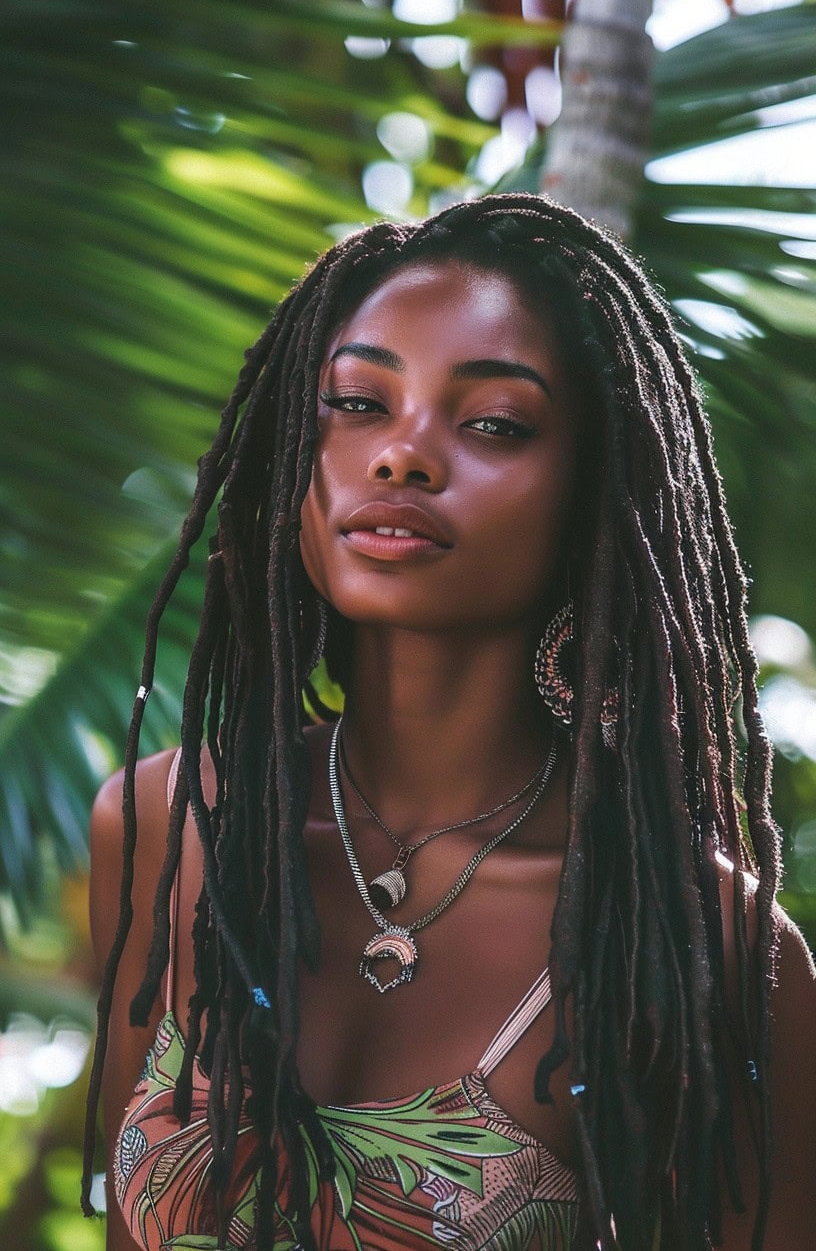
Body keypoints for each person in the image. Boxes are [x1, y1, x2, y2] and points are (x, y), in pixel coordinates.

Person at [83, 193, 816, 1251]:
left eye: (494, 424)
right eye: (354, 402)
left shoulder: (699, 937)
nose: (404, 455)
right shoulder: (165, 826)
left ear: (593, 495)